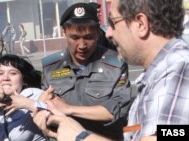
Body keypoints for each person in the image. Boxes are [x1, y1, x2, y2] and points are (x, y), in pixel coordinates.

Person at [39, 2, 132, 140]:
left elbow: (117, 110)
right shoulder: (50, 66)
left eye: (88, 37)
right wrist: (41, 111)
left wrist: (69, 109)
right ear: (64, 32)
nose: (82, 45)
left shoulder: (116, 64)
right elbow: (45, 107)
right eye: (75, 38)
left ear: (97, 33)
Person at [105, 0, 188, 140]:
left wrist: (80, 136)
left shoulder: (178, 68)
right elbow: (139, 132)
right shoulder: (157, 74)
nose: (108, 33)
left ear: (141, 24)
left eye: (113, 22)